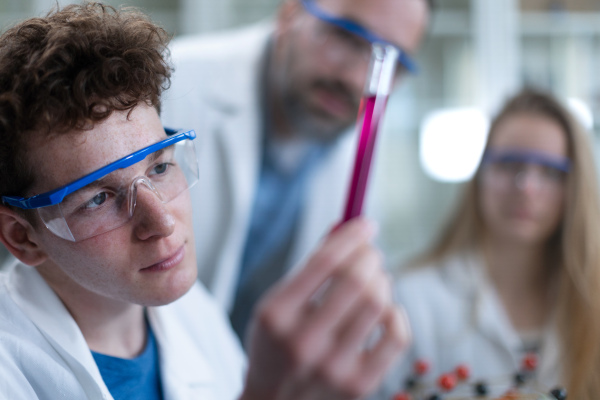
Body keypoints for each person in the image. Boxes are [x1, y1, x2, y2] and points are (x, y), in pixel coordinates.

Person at [0, 3, 410, 399]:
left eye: (160, 168)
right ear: (23, 237)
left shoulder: (195, 316)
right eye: (98, 199)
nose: (161, 222)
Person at [160, 0, 431, 342]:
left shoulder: (360, 148)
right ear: (290, 13)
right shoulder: (171, 83)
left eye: (391, 60)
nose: (358, 78)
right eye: (345, 36)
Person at [375, 88, 600, 399]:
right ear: (479, 174)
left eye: (550, 172)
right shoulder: (410, 299)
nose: (526, 188)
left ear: (576, 188)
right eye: (508, 164)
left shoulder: (592, 300)